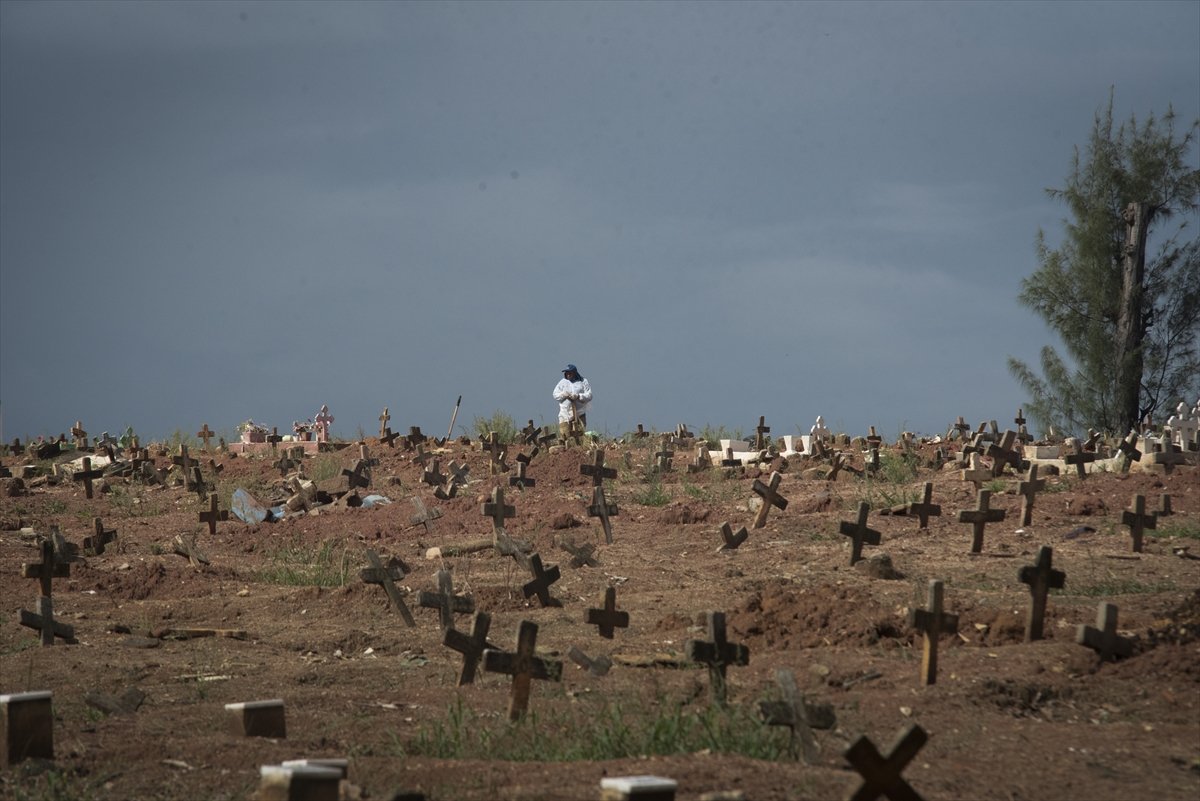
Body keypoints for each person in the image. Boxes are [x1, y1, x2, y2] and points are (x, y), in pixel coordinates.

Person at [553, 364, 592, 445]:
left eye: (570, 373)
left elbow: (589, 395)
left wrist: (578, 396)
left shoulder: (583, 381)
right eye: (567, 373)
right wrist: (564, 394)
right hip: (565, 415)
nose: (568, 375)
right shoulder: (562, 382)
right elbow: (555, 395)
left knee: (580, 435)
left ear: (574, 373)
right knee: (565, 436)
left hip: (579, 414)